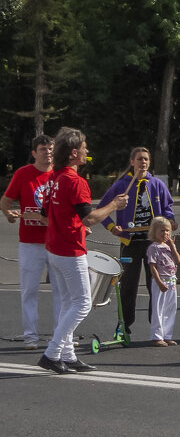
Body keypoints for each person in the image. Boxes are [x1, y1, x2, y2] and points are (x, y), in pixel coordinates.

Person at [38, 127, 129, 373]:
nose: (88, 151)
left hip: (54, 247)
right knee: (82, 303)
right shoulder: (75, 181)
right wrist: (113, 205)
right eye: (85, 147)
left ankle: (67, 355)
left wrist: (73, 223)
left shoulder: (54, 178)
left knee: (69, 302)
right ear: (74, 153)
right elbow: (89, 218)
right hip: (69, 249)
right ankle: (52, 352)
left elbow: (47, 214)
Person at [99, 147, 177, 340]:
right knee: (128, 286)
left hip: (154, 243)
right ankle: (123, 326)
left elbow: (168, 208)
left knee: (157, 286)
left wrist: (170, 221)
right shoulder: (121, 185)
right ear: (132, 162)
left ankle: (158, 330)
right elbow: (101, 209)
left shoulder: (156, 184)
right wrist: (112, 227)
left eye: (146, 160)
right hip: (130, 241)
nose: (143, 162)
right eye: (139, 159)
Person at [1, 134, 54, 350]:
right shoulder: (24, 174)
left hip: (56, 243)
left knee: (61, 291)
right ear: (34, 153)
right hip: (30, 243)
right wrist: (9, 214)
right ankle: (30, 336)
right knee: (30, 291)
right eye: (43, 149)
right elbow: (5, 202)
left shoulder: (61, 174)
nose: (48, 152)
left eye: (51, 148)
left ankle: (61, 335)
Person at [146, 216, 180, 347]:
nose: (165, 233)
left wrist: (172, 246)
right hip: (160, 281)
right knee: (158, 309)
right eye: (162, 231)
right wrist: (159, 282)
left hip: (172, 281)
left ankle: (167, 335)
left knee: (170, 308)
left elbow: (177, 260)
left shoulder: (169, 246)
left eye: (167, 231)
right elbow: (152, 267)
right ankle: (157, 336)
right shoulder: (153, 247)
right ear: (154, 232)